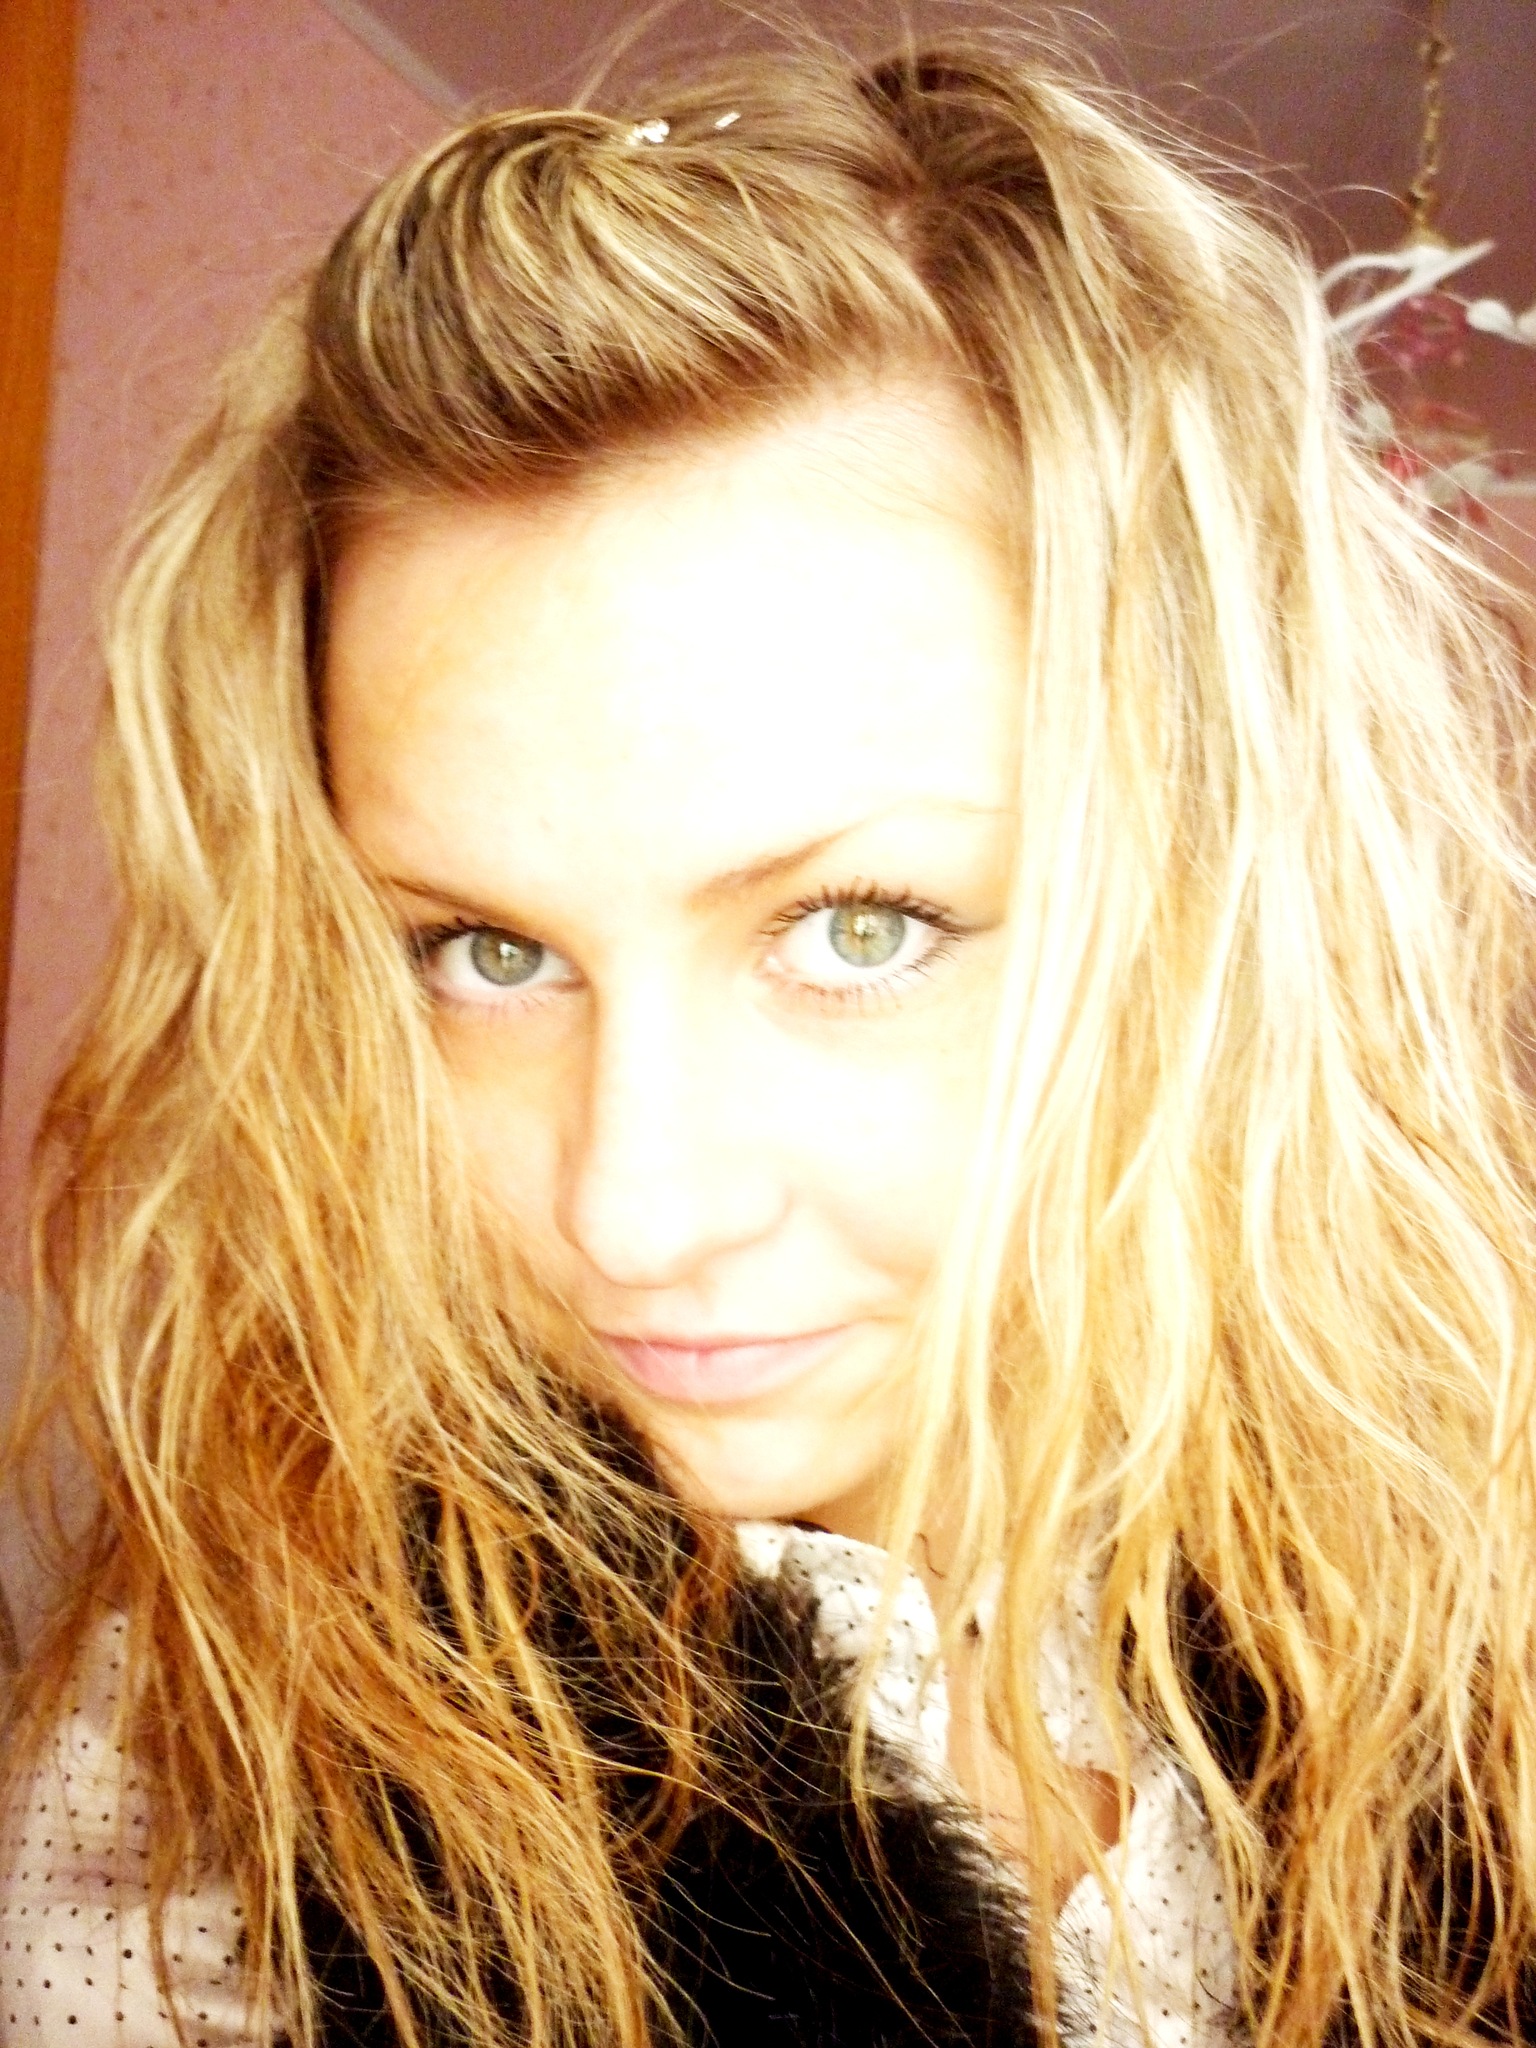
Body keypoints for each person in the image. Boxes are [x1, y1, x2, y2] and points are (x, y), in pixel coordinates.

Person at [3, 30, 1535, 2048]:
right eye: (484, 952)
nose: (631, 1214)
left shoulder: (1455, 1596)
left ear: (1216, 897)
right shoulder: (213, 1781)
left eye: (858, 930)